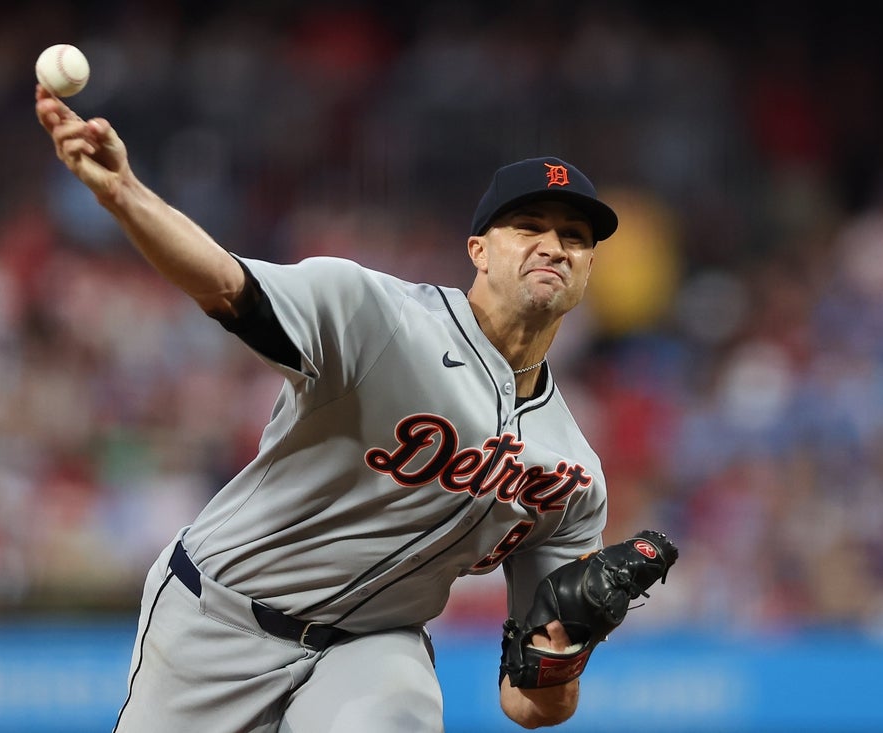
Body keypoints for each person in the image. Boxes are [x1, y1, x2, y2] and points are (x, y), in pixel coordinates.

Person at [35, 82, 627, 732]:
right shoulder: (377, 317)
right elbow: (226, 284)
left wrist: (566, 646)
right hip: (221, 617)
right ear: (478, 250)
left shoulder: (573, 475)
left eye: (575, 237)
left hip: (374, 647)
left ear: (588, 267)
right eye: (529, 226)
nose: (554, 246)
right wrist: (125, 195)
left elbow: (530, 705)